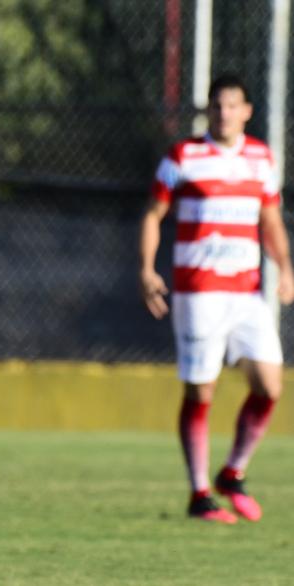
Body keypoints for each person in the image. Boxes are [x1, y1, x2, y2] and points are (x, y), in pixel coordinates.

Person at [139, 73, 292, 524]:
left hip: (246, 292)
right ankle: (200, 493)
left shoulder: (262, 159)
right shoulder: (184, 155)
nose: (224, 113)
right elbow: (153, 214)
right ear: (209, 111)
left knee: (270, 385)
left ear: (246, 111)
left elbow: (271, 219)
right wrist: (147, 270)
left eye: (232, 106)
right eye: (217, 106)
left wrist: (285, 268)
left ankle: (233, 472)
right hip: (198, 292)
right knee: (201, 390)